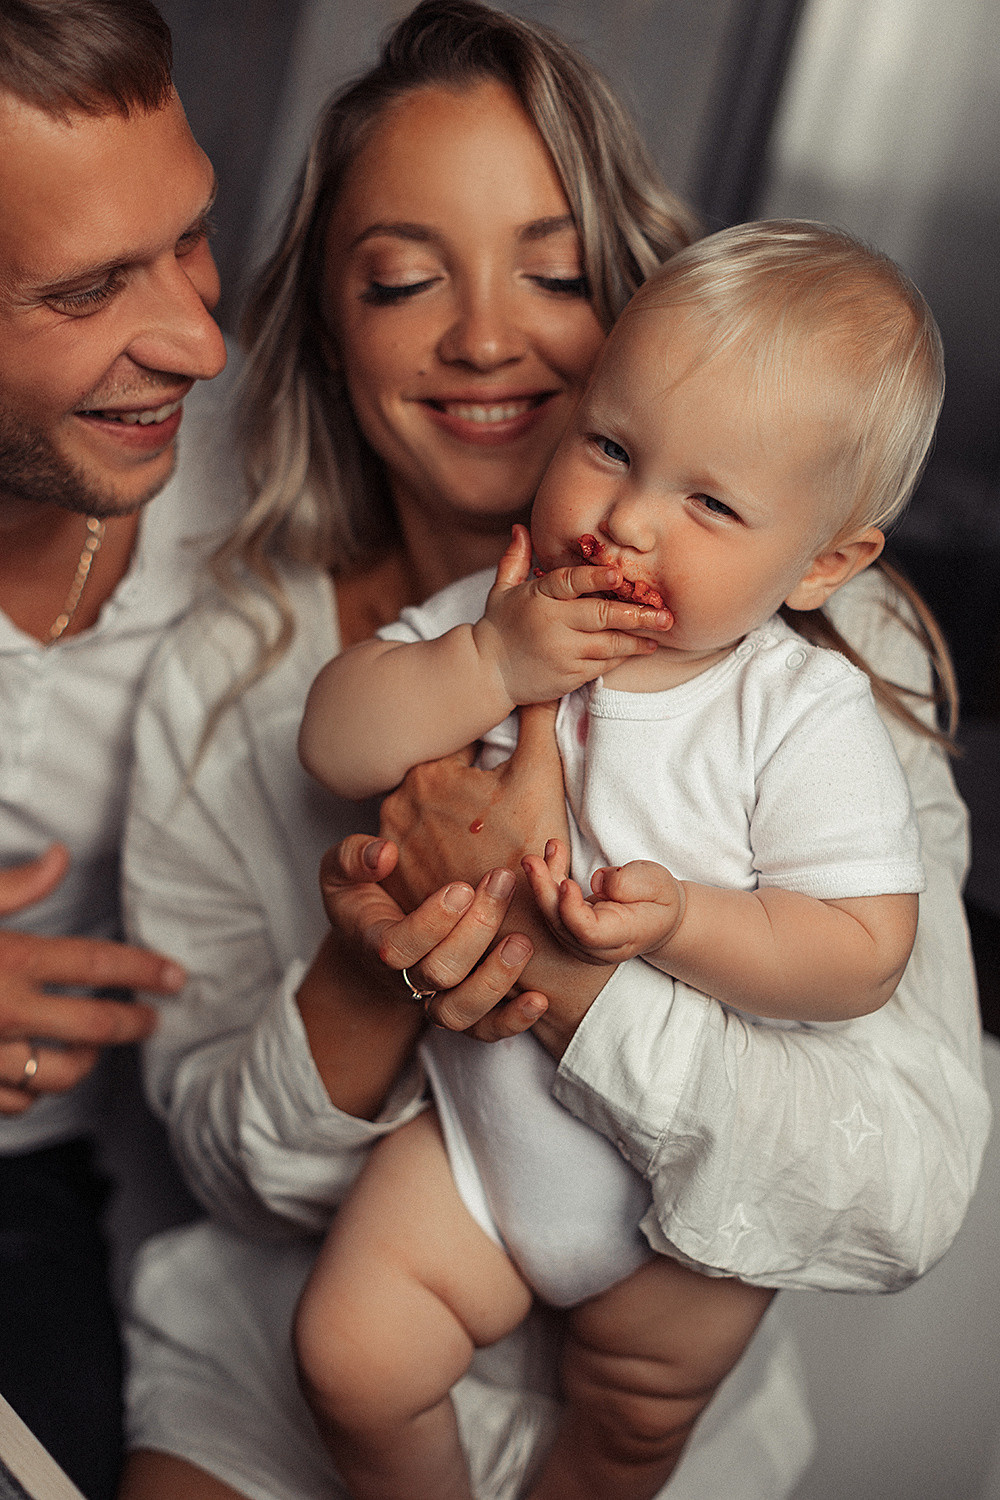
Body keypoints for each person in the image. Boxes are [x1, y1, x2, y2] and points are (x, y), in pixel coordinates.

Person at [119, 5, 989, 1500]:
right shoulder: (311, 652)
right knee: (336, 1361)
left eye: (558, 268)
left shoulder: (836, 666)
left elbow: (901, 1183)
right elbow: (233, 1173)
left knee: (635, 1431)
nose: (482, 334)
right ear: (329, 318)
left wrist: (562, 954)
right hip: (374, 1259)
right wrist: (383, 937)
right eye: (401, 278)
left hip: (662, 1308)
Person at [292, 221, 935, 1500]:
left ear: (822, 562)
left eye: (708, 502)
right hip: (478, 1160)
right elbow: (329, 740)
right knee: (349, 1357)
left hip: (675, 1236)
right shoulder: (504, 611)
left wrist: (687, 921)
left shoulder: (795, 711)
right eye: (609, 449)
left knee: (628, 1435)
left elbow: (864, 951)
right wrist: (488, 664)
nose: (628, 521)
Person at [0, 2, 229, 1494]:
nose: (200, 338)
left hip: (57, 1206)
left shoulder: (294, 469)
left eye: (192, 241)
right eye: (90, 288)